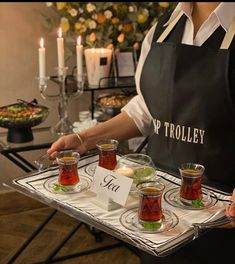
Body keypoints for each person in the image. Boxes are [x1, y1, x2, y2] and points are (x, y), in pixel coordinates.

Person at [48, 2, 235, 262]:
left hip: (223, 213)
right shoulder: (162, 28)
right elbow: (147, 109)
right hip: (157, 207)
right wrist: (85, 139)